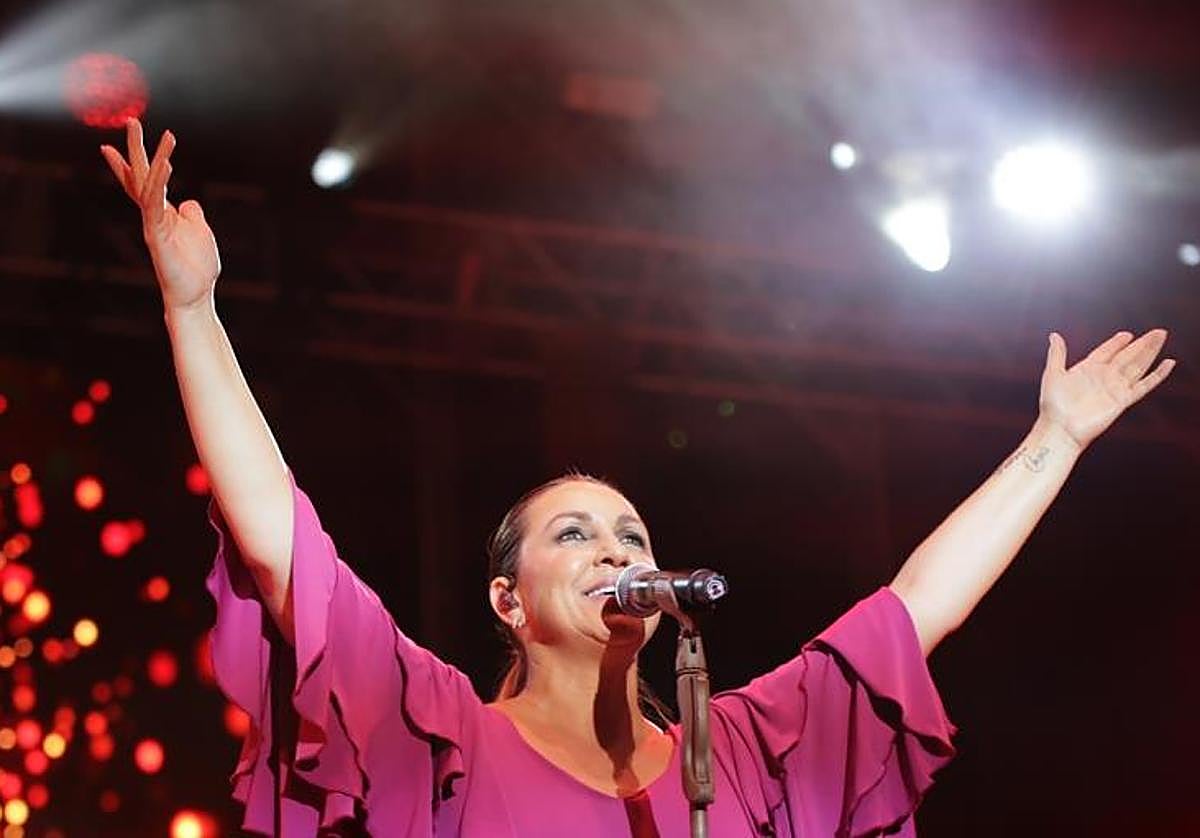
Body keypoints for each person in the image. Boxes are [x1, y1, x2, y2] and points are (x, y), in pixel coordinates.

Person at [101, 119, 1175, 837]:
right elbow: (277, 536)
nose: (617, 550)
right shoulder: (443, 736)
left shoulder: (747, 751)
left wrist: (1056, 441)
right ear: (507, 599)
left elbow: (917, 607)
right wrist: (192, 311)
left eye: (632, 535)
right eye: (575, 535)